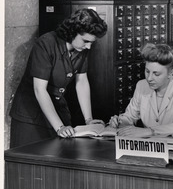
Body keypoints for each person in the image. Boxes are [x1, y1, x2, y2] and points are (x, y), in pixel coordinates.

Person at [9, 8, 108, 148]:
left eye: (91, 42)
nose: (89, 46)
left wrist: (89, 119)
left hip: (56, 110)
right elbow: (39, 90)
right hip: (30, 116)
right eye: (86, 41)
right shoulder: (45, 44)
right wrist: (60, 127)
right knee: (29, 164)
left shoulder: (81, 48)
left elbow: (81, 82)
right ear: (73, 31)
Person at [109, 43, 173, 136]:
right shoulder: (142, 86)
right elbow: (130, 117)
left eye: (156, 74)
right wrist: (119, 122)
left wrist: (150, 131)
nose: (149, 78)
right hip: (149, 146)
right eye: (147, 71)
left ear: (170, 72)